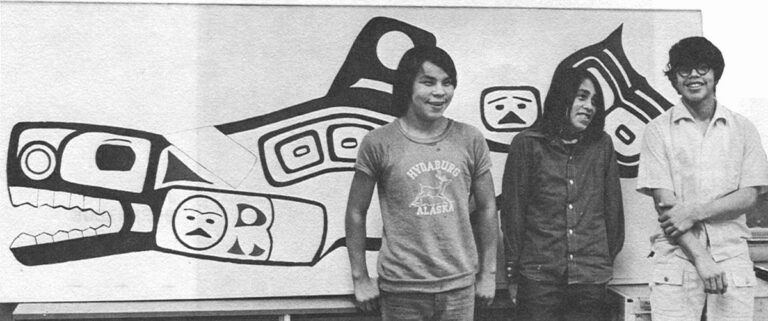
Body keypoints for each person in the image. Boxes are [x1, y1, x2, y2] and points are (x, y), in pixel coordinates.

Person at [344, 45, 498, 321]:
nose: (439, 92)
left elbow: (487, 207)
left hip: (459, 287)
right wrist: (360, 278)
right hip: (401, 289)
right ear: (408, 85)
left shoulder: (470, 139)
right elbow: (356, 211)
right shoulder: (378, 142)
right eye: (428, 82)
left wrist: (488, 274)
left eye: (447, 83)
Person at [636, 36, 768, 321]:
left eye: (702, 68)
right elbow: (666, 206)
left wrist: (694, 211)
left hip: (733, 260)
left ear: (715, 73)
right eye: (684, 70)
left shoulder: (743, 129)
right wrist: (702, 259)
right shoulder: (658, 131)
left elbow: (749, 196)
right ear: (674, 78)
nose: (694, 76)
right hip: (677, 260)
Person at [501, 67, 625, 321]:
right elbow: (513, 214)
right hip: (538, 277)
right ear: (561, 97)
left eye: (594, 101)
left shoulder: (602, 145)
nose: (589, 106)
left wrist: (599, 261)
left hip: (590, 277)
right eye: (581, 97)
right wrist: (513, 273)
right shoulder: (527, 144)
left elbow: (613, 212)